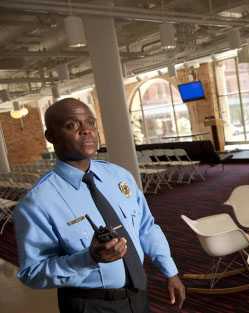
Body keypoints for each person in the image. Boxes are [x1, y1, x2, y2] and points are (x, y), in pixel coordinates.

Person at [14, 98, 185, 313]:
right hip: (90, 304)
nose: (87, 131)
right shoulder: (37, 203)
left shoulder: (119, 176)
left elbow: (146, 227)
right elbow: (33, 273)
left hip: (138, 294)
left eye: (91, 123)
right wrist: (89, 259)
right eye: (73, 125)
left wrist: (170, 272)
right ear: (51, 136)